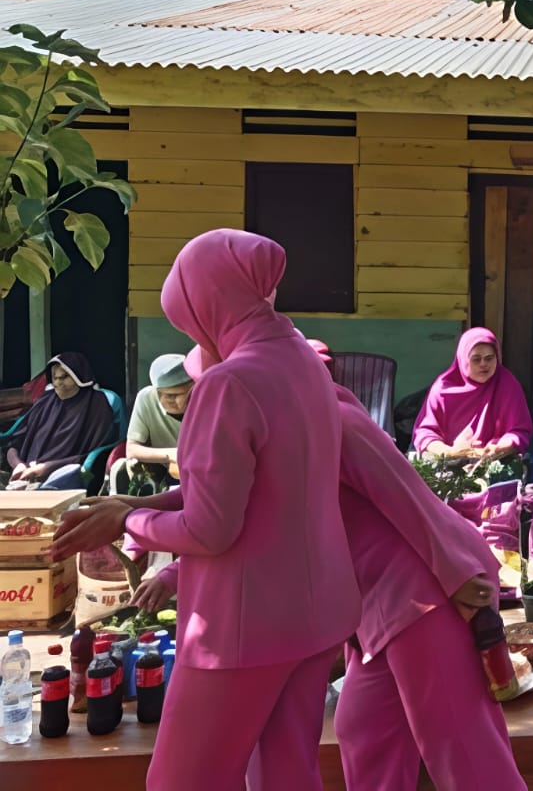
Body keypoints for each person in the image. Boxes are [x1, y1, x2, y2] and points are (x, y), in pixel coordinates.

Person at [48, 228, 362, 791]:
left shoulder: (229, 383)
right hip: (318, 616)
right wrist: (136, 502)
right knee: (287, 775)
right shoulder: (302, 361)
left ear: (206, 304)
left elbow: (210, 529)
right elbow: (258, 490)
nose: (193, 335)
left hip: (241, 630)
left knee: (180, 781)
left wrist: (125, 520)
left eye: (188, 321)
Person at [132, 342, 525, 791]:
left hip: (426, 592)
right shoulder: (273, 435)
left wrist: (455, 573)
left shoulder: (332, 421)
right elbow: (229, 512)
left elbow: (405, 492)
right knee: (361, 727)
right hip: (375, 610)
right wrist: (133, 517)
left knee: (465, 756)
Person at [413, 327, 533, 463]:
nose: (484, 364)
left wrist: (500, 448)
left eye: (489, 358)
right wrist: (449, 452)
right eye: (476, 359)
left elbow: (520, 432)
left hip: (495, 464)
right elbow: (424, 434)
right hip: (448, 467)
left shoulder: (507, 385)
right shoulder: (443, 390)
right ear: (463, 359)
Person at [5, 352, 115, 491]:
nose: (57, 383)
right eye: (55, 378)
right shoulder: (45, 402)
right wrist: (18, 465)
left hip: (61, 479)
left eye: (64, 377)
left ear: (79, 377)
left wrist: (46, 468)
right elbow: (14, 444)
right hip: (22, 475)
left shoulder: (96, 405)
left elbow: (93, 456)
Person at [111, 353, 192, 495]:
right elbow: (132, 449)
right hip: (168, 474)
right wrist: (173, 454)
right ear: (157, 392)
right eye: (171, 396)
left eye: (187, 394)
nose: (181, 402)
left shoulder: (206, 396)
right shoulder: (146, 398)